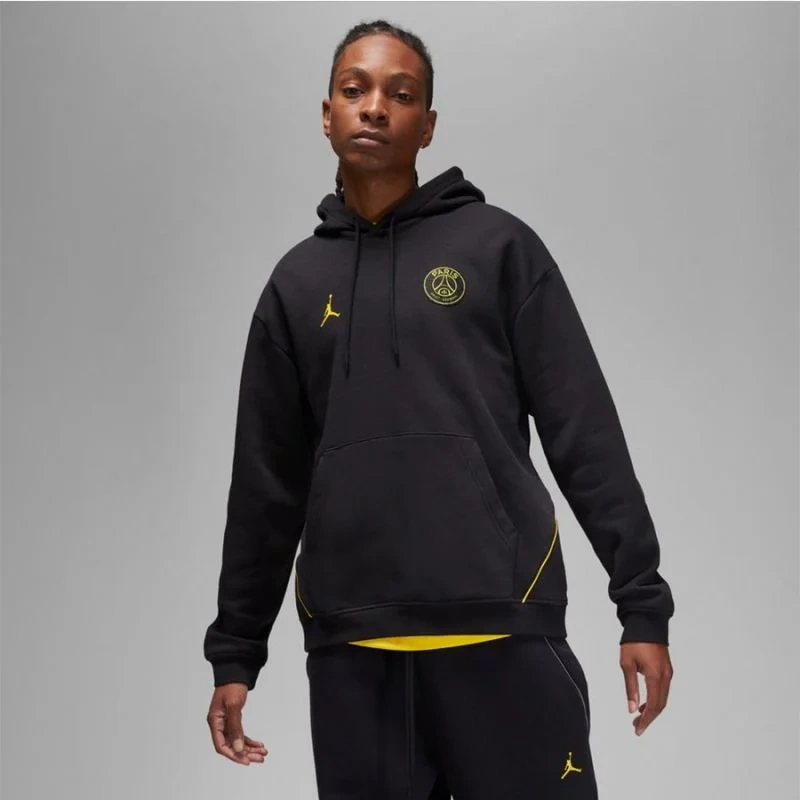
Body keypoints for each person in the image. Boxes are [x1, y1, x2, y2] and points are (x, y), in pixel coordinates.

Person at [204, 19, 675, 800]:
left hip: (504, 627)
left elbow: (583, 431)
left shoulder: (500, 249)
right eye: (354, 89)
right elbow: (265, 485)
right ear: (326, 114)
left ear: (427, 125)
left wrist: (642, 606)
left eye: (400, 93)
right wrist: (235, 652)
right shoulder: (294, 286)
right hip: (355, 650)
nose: (374, 106)